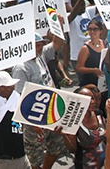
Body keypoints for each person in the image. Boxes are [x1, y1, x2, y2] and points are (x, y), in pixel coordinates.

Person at [12, 33, 67, 169]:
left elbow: (57, 42)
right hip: (34, 118)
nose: (40, 47)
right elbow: (19, 97)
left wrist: (57, 24)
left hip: (51, 112)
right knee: (34, 155)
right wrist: (32, 122)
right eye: (37, 45)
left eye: (42, 44)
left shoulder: (40, 56)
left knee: (58, 145)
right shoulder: (21, 68)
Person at [0, 50, 30, 169]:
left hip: (21, 157)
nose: (12, 87)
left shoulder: (16, 97)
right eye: (8, 86)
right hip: (3, 161)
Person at [59, 87, 106, 169]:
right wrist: (64, 135)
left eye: (92, 98)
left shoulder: (99, 115)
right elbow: (72, 149)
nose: (92, 102)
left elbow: (108, 140)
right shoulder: (73, 122)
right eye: (87, 99)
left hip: (105, 163)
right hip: (84, 165)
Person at [76, 19, 106, 87]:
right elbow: (79, 68)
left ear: (100, 31)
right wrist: (93, 70)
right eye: (90, 29)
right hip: (90, 83)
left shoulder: (104, 43)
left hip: (103, 83)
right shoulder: (85, 48)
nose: (92, 31)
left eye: (95, 29)